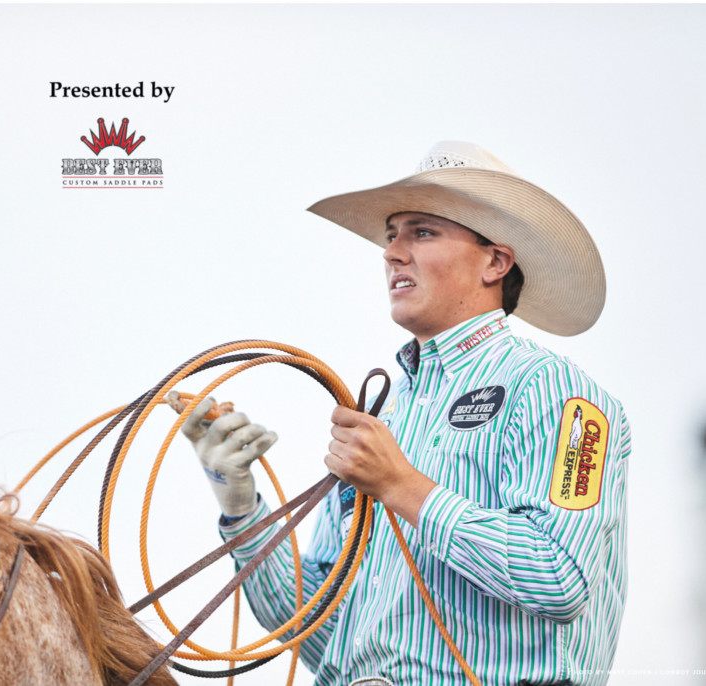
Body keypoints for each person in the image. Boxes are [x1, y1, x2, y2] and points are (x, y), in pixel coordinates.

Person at [180, 141, 629, 686]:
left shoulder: (558, 393)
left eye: (423, 232)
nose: (392, 253)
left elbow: (558, 576)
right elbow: (319, 630)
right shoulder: (383, 420)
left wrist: (401, 486)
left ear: (495, 262)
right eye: (392, 235)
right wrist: (241, 505)